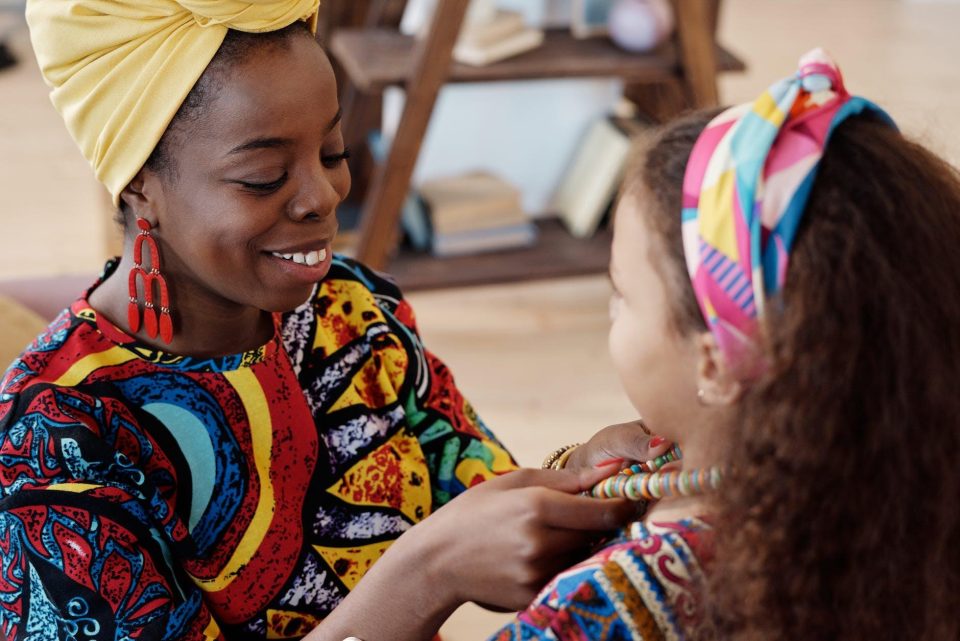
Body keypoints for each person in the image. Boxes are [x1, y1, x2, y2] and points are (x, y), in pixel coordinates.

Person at [1, 2, 661, 640]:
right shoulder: (57, 445)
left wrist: (583, 478)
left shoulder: (353, 312)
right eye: (264, 176)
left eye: (334, 152)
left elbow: (470, 495)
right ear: (139, 180)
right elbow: (447, 552)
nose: (323, 197)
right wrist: (428, 574)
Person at [489, 49, 960, 640]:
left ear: (714, 361)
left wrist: (420, 576)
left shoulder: (600, 607)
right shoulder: (910, 482)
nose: (613, 311)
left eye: (622, 294)